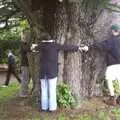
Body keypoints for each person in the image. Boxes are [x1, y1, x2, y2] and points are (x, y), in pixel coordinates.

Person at [31, 33, 88, 112]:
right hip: (52, 72)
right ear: (51, 39)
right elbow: (66, 47)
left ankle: (44, 107)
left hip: (43, 72)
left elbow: (33, 48)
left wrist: (34, 46)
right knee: (52, 90)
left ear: (43, 40)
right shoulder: (55, 45)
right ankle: (52, 108)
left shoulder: (41, 46)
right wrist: (79, 48)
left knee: (44, 90)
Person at [93, 24, 120, 105]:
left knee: (109, 79)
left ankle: (112, 99)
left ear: (112, 31)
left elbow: (102, 47)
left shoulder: (111, 41)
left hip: (112, 64)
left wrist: (94, 43)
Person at [19, 31, 31, 98]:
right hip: (25, 64)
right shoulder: (22, 44)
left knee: (27, 79)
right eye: (25, 37)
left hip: (27, 64)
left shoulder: (25, 44)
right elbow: (27, 49)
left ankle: (25, 92)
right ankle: (23, 93)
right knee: (25, 79)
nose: (26, 38)